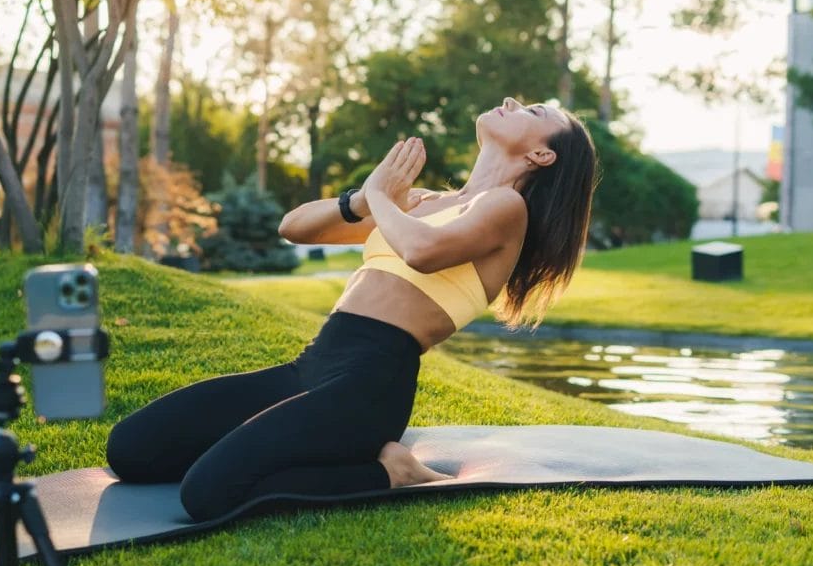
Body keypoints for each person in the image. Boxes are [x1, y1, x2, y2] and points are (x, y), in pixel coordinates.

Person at [106, 97, 599, 522]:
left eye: (530, 110)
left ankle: (388, 471)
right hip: (310, 366)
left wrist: (384, 199)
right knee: (132, 450)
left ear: (541, 154)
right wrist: (364, 198)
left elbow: (423, 251)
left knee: (206, 493)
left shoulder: (506, 208)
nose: (511, 103)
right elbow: (295, 226)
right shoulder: (421, 202)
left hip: (368, 387)